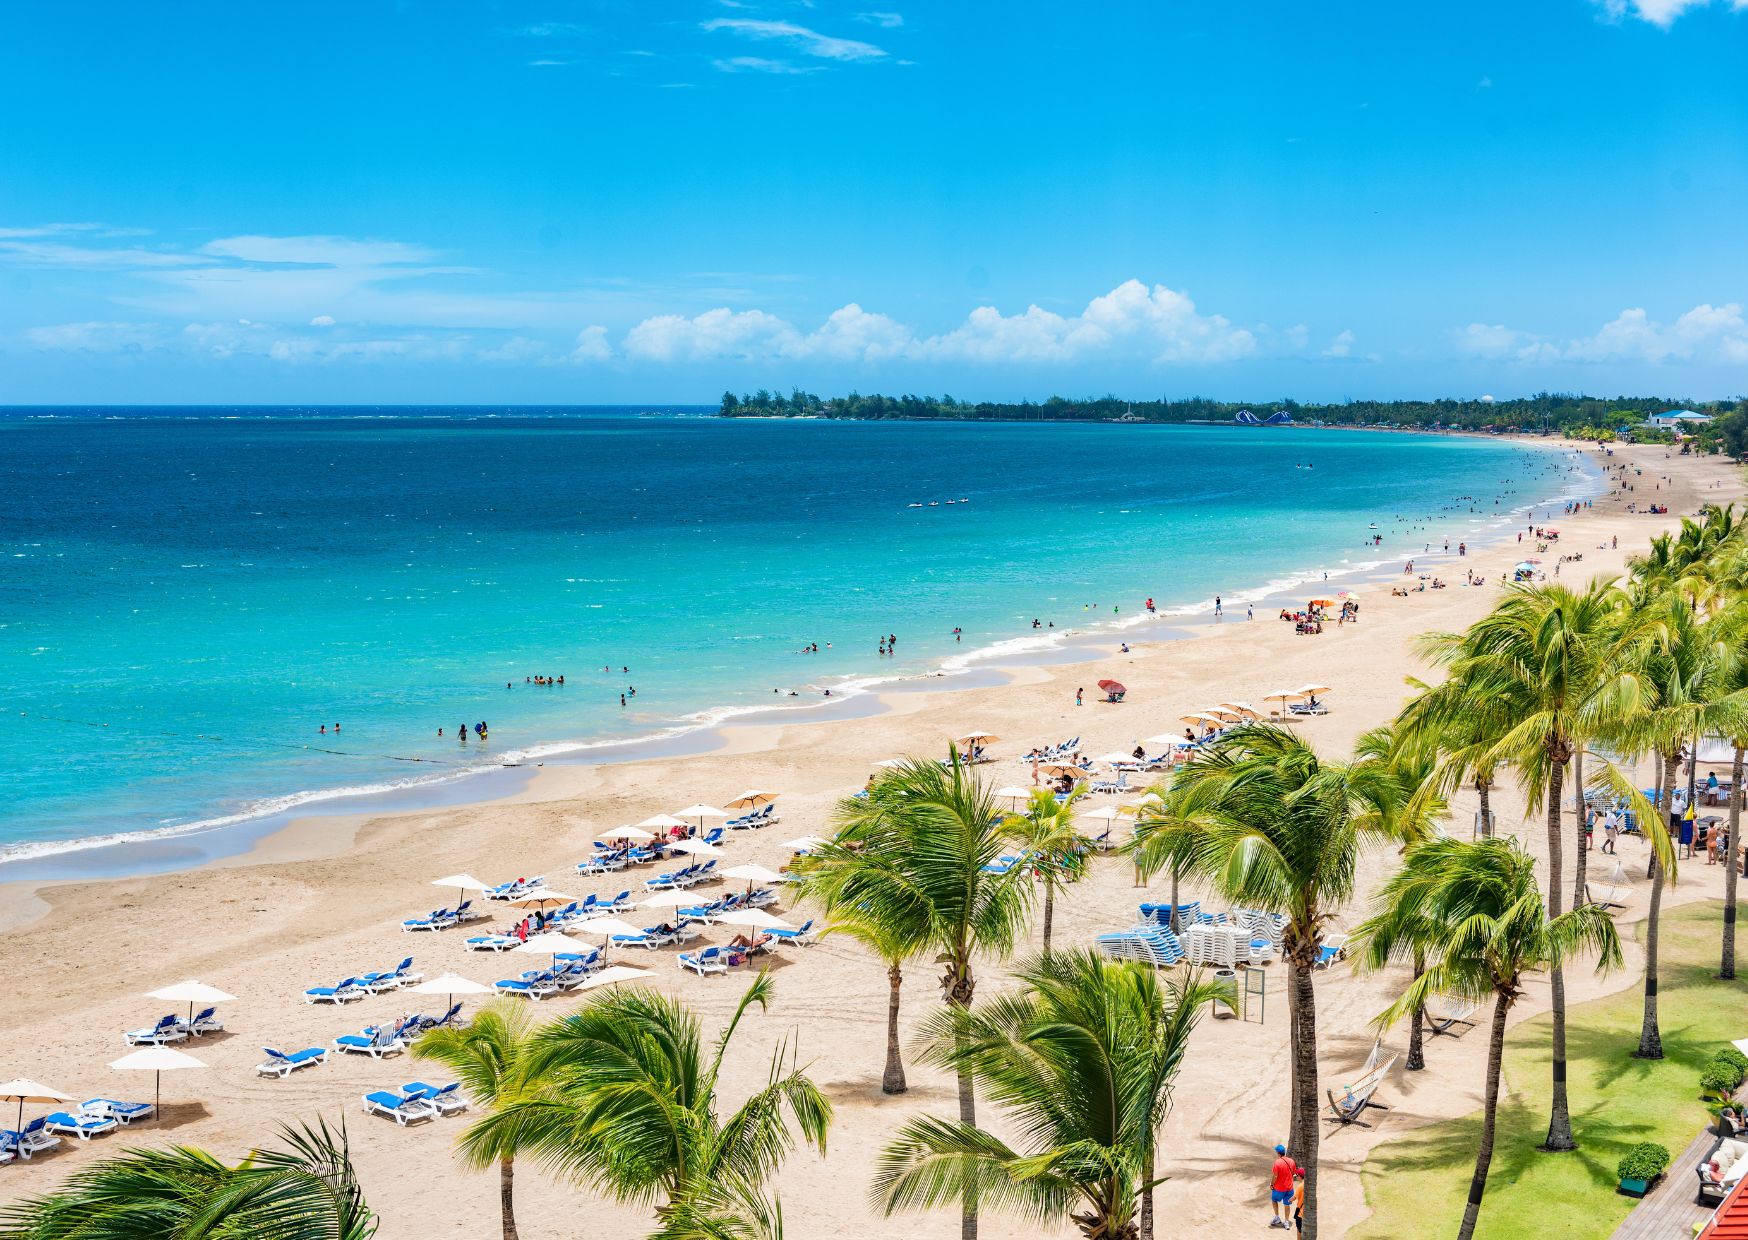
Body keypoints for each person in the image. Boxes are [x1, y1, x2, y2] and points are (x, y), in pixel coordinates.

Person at [1269, 1144, 1296, 1229]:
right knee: (1287, 1205)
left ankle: (1277, 1217)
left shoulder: (1277, 1162)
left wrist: (1272, 1184)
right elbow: (1294, 1173)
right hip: (1290, 1188)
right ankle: (1287, 1222)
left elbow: (1275, 1176)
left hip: (1279, 1188)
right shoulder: (1291, 1161)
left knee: (1274, 1200)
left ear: (1278, 1153)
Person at [1292, 1166, 1306, 1233]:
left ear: (1299, 1176)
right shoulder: (1309, 1184)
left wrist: (1289, 1200)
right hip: (1307, 1212)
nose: (1296, 1177)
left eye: (1297, 1175)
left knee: (1299, 1231)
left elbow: (1294, 1198)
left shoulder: (1300, 1186)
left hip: (1300, 1213)